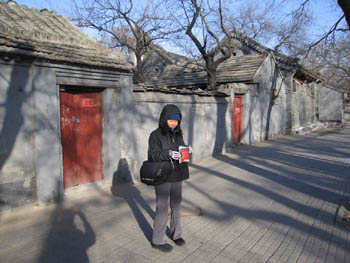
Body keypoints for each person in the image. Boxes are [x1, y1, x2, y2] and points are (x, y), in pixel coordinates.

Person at [148, 104, 190, 253]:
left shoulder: (178, 134)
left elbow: (181, 148)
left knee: (177, 206)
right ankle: (157, 240)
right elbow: (153, 155)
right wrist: (169, 154)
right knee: (162, 208)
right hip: (162, 175)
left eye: (176, 121)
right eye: (171, 120)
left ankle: (176, 234)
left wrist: (186, 150)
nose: (174, 123)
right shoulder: (155, 135)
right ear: (164, 119)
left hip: (177, 175)